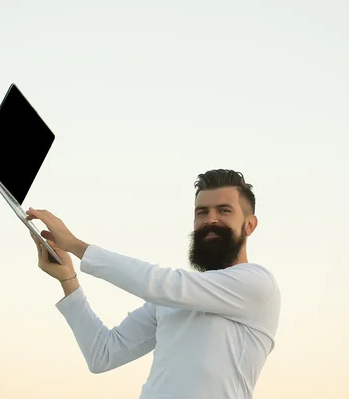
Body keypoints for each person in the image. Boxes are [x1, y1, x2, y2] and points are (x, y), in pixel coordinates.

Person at [26, 169, 281, 399]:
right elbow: (102, 354)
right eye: (201, 212)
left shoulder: (257, 283)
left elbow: (162, 284)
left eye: (224, 210)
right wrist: (68, 280)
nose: (210, 219)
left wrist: (76, 246)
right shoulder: (173, 298)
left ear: (250, 224)